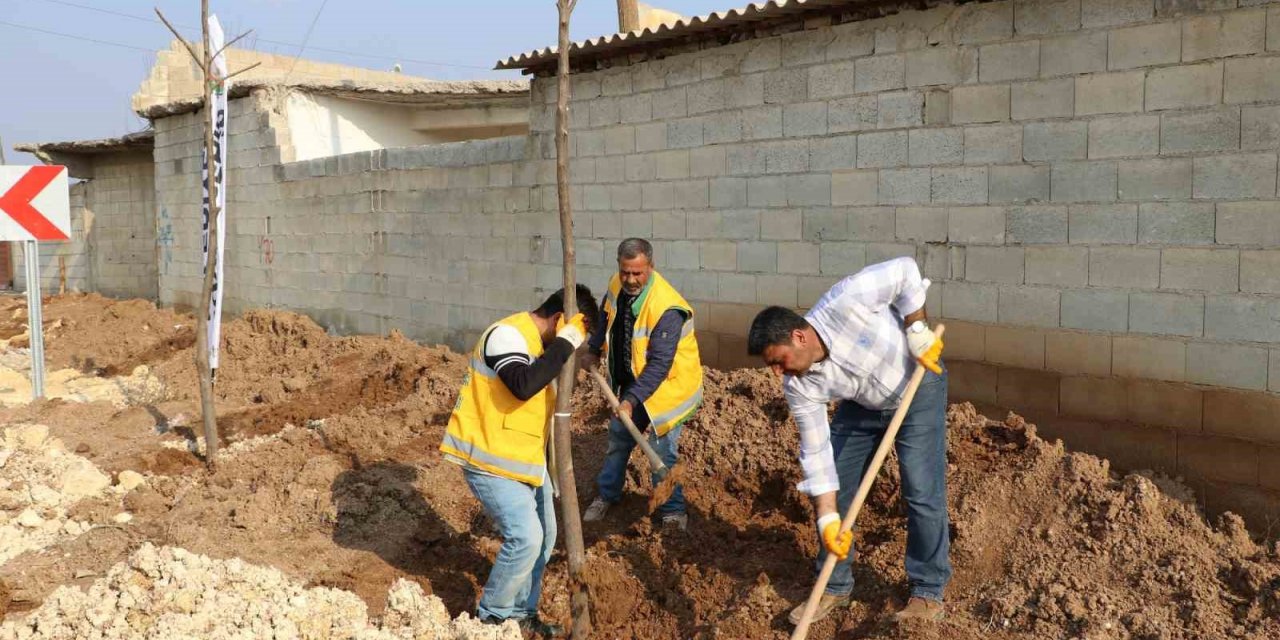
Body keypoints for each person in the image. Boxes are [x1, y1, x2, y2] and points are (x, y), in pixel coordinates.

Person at [745, 256, 951, 625]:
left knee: (921, 491)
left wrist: (916, 327)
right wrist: (826, 518)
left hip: (916, 385)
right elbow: (816, 451)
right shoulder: (798, 385)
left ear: (798, 336)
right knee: (835, 490)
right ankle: (834, 585)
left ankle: (927, 589)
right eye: (771, 367)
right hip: (862, 406)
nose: (777, 372)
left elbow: (905, 269)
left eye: (779, 360)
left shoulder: (846, 300)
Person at [439, 285, 599, 637]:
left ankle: (522, 613)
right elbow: (523, 385)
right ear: (560, 321)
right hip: (490, 460)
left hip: (524, 461)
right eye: (577, 337)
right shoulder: (505, 336)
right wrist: (566, 344)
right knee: (525, 538)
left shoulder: (544, 348)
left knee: (545, 537)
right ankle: (492, 618)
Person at [580, 238, 703, 531]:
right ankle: (608, 494)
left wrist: (630, 400)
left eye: (638, 273)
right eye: (625, 272)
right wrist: (594, 347)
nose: (630, 280)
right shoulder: (616, 284)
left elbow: (659, 365)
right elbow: (606, 313)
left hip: (669, 388)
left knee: (662, 451)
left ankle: (672, 511)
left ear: (651, 267)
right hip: (633, 382)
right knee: (619, 438)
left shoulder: (668, 308)